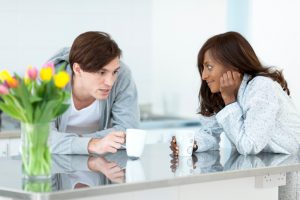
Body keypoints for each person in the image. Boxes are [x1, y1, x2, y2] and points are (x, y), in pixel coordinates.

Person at [171, 31, 300, 155]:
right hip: (262, 166)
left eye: (209, 67)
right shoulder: (223, 92)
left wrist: (229, 100)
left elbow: (249, 146)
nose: (204, 76)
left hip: (289, 167)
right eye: (202, 68)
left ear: (233, 65)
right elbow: (210, 132)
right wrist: (192, 144)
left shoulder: (261, 87)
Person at [48, 31, 140, 155]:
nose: (110, 82)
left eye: (114, 72)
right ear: (77, 69)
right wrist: (92, 144)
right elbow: (40, 138)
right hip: (55, 165)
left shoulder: (122, 75)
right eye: (101, 72)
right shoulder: (50, 80)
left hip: (100, 165)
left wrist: (64, 141)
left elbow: (129, 131)